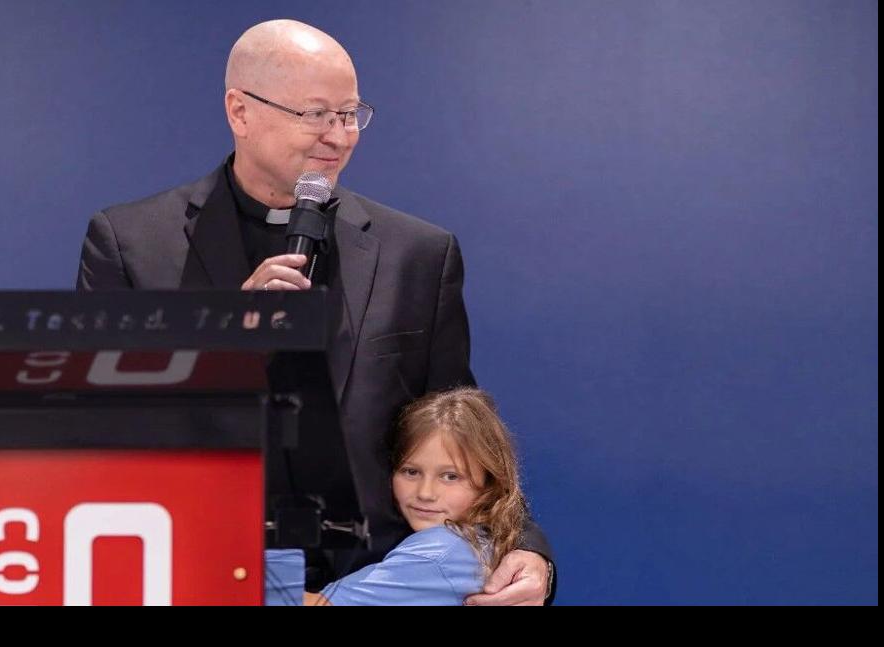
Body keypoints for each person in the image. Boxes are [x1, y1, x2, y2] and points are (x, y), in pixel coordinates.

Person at [76, 19, 553, 604]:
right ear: (240, 111)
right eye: (316, 114)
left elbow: (459, 430)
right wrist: (224, 345)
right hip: (205, 574)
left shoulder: (418, 254)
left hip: (374, 584)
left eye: (350, 114)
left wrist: (525, 546)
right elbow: (100, 430)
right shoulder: (132, 244)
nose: (340, 136)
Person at [265, 387, 536, 605]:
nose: (425, 493)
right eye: (411, 472)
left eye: (450, 476)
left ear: (490, 482)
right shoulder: (478, 540)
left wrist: (263, 541)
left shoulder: (439, 553)